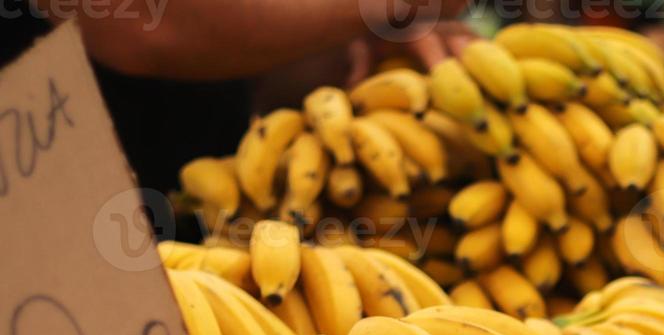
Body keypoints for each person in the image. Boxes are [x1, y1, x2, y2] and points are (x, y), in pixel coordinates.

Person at [0, 1, 476, 205]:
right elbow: (143, 23)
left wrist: (348, 40)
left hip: (185, 210)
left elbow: (255, 65)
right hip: (39, 224)